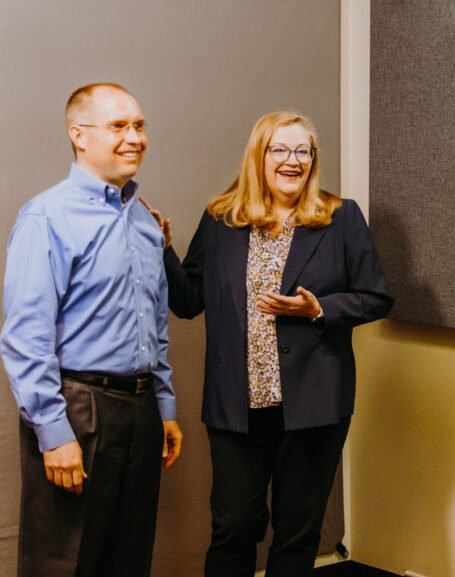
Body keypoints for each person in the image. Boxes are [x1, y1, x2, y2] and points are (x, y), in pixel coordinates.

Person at [151, 111, 392, 577]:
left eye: (303, 151)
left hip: (314, 406)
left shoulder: (341, 217)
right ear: (259, 156)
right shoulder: (222, 218)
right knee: (233, 527)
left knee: (296, 533)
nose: (292, 160)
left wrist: (318, 309)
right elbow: (187, 301)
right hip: (236, 407)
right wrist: (163, 250)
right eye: (280, 149)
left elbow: (376, 296)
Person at [0, 83, 183, 577]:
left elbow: (155, 325)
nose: (135, 137)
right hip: (78, 409)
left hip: (141, 412)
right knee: (64, 561)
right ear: (79, 135)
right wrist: (54, 433)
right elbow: (25, 338)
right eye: (118, 126)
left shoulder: (145, 222)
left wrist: (163, 407)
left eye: (139, 125)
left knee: (129, 556)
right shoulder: (46, 217)